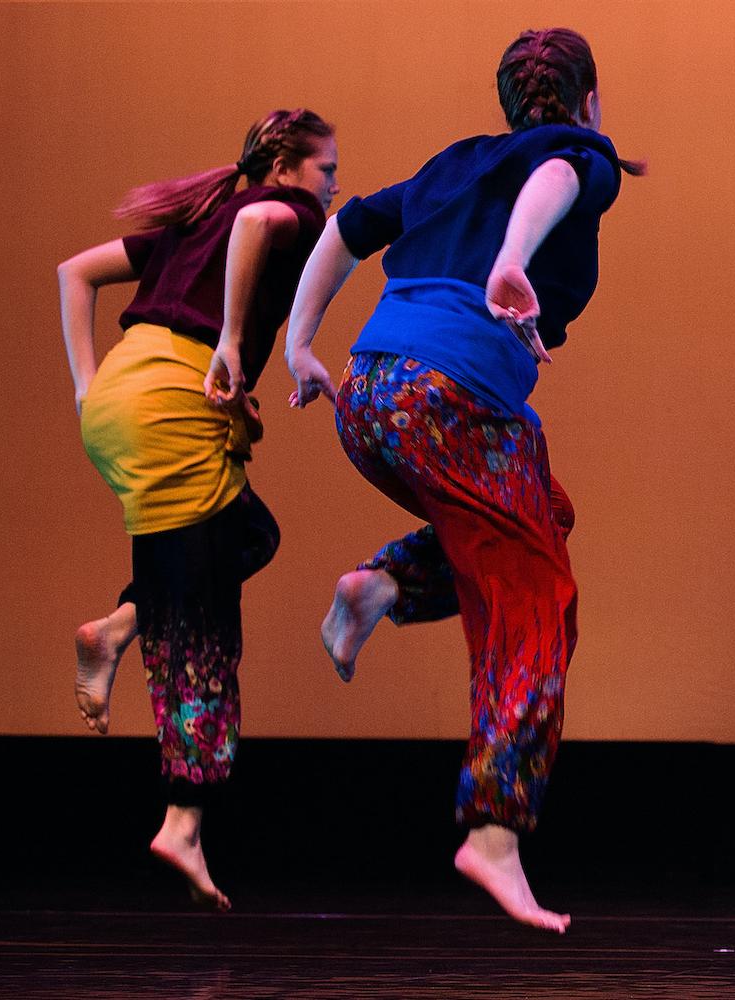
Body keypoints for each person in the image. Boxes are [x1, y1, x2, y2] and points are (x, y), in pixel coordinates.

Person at [279, 27, 642, 933]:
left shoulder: (453, 165)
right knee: (539, 598)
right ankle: (494, 831)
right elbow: (554, 178)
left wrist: (297, 344)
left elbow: (346, 228)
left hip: (372, 396)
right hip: (452, 396)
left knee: (541, 514)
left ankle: (382, 583)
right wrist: (514, 260)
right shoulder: (580, 154)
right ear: (588, 102)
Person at [58, 108, 337, 909]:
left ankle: (115, 627)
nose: (333, 185)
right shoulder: (280, 211)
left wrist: (88, 387)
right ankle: (182, 821)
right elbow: (258, 223)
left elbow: (72, 273)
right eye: (326, 170)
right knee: (203, 627)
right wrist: (233, 342)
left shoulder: (196, 216)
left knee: (249, 533)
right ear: (287, 165)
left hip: (123, 393)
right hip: (175, 400)